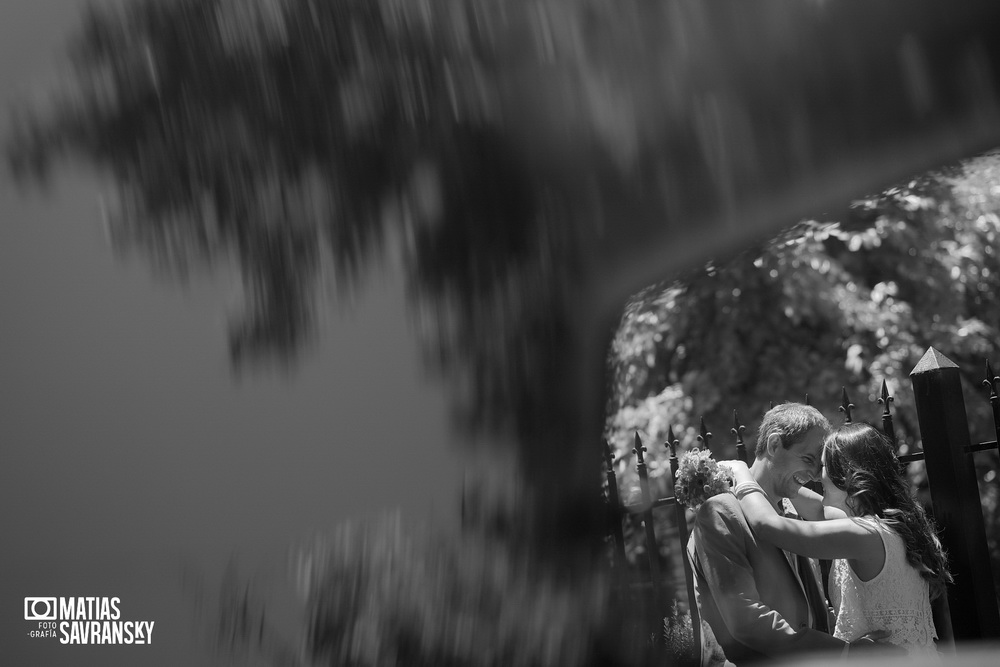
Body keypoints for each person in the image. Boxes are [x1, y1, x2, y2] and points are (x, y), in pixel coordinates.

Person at [720, 421, 951, 658]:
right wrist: (774, 473)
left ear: (847, 474)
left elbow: (769, 525)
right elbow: (818, 511)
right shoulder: (888, 525)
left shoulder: (864, 534)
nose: (817, 478)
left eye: (822, 466)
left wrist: (741, 473)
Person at [688, 403, 891, 665]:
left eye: (819, 466)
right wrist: (843, 653)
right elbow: (745, 619)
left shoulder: (791, 511)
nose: (815, 475)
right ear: (774, 445)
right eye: (807, 459)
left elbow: (805, 605)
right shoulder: (720, 510)